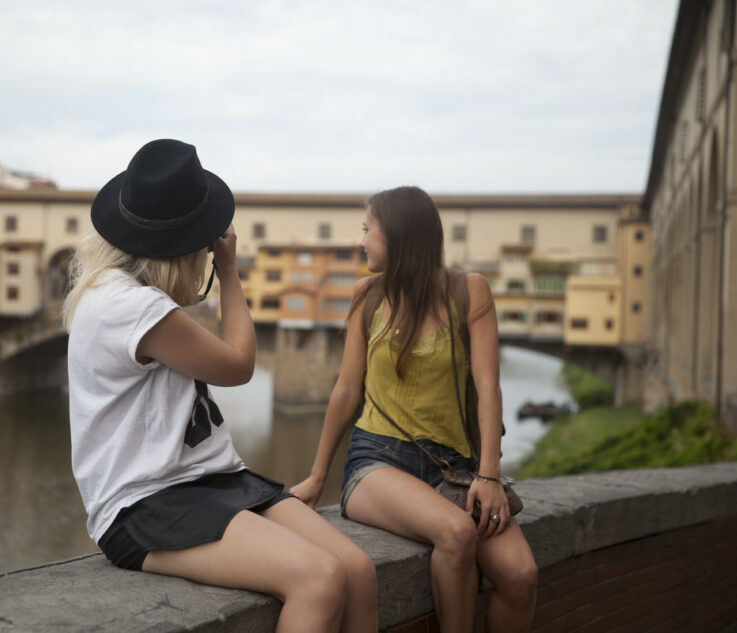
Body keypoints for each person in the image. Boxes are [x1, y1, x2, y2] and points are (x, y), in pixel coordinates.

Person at [63, 139, 377, 633]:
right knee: (319, 579)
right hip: (144, 504)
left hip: (212, 481)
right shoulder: (132, 307)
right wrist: (229, 272)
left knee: (358, 571)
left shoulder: (120, 294)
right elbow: (238, 365)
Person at [291, 186, 538, 633]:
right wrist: (317, 475)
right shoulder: (366, 297)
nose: (361, 241)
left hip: (453, 468)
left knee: (521, 575)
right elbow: (346, 390)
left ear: (400, 236)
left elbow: (488, 389)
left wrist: (488, 475)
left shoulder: (470, 292)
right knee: (456, 533)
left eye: (368, 230)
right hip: (376, 462)